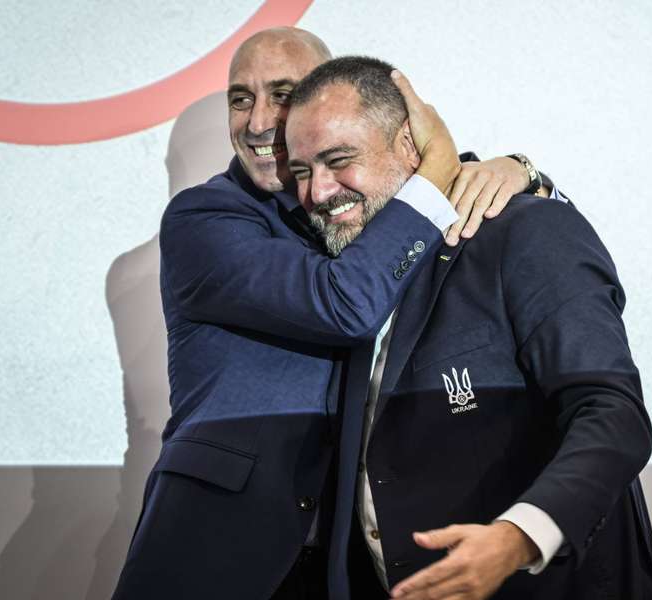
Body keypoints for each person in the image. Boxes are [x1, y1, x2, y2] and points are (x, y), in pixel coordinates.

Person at [112, 28, 549, 599]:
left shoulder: (367, 207)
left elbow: (476, 204)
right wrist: (439, 169)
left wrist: (521, 171)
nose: (260, 121)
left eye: (284, 94)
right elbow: (347, 302)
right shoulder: (204, 219)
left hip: (350, 559)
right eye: (240, 98)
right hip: (217, 545)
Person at [285, 56, 652, 600]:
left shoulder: (524, 231)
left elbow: (612, 413)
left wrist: (520, 536)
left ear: (410, 147)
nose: (318, 192)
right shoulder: (337, 273)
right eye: (302, 171)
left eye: (339, 160)